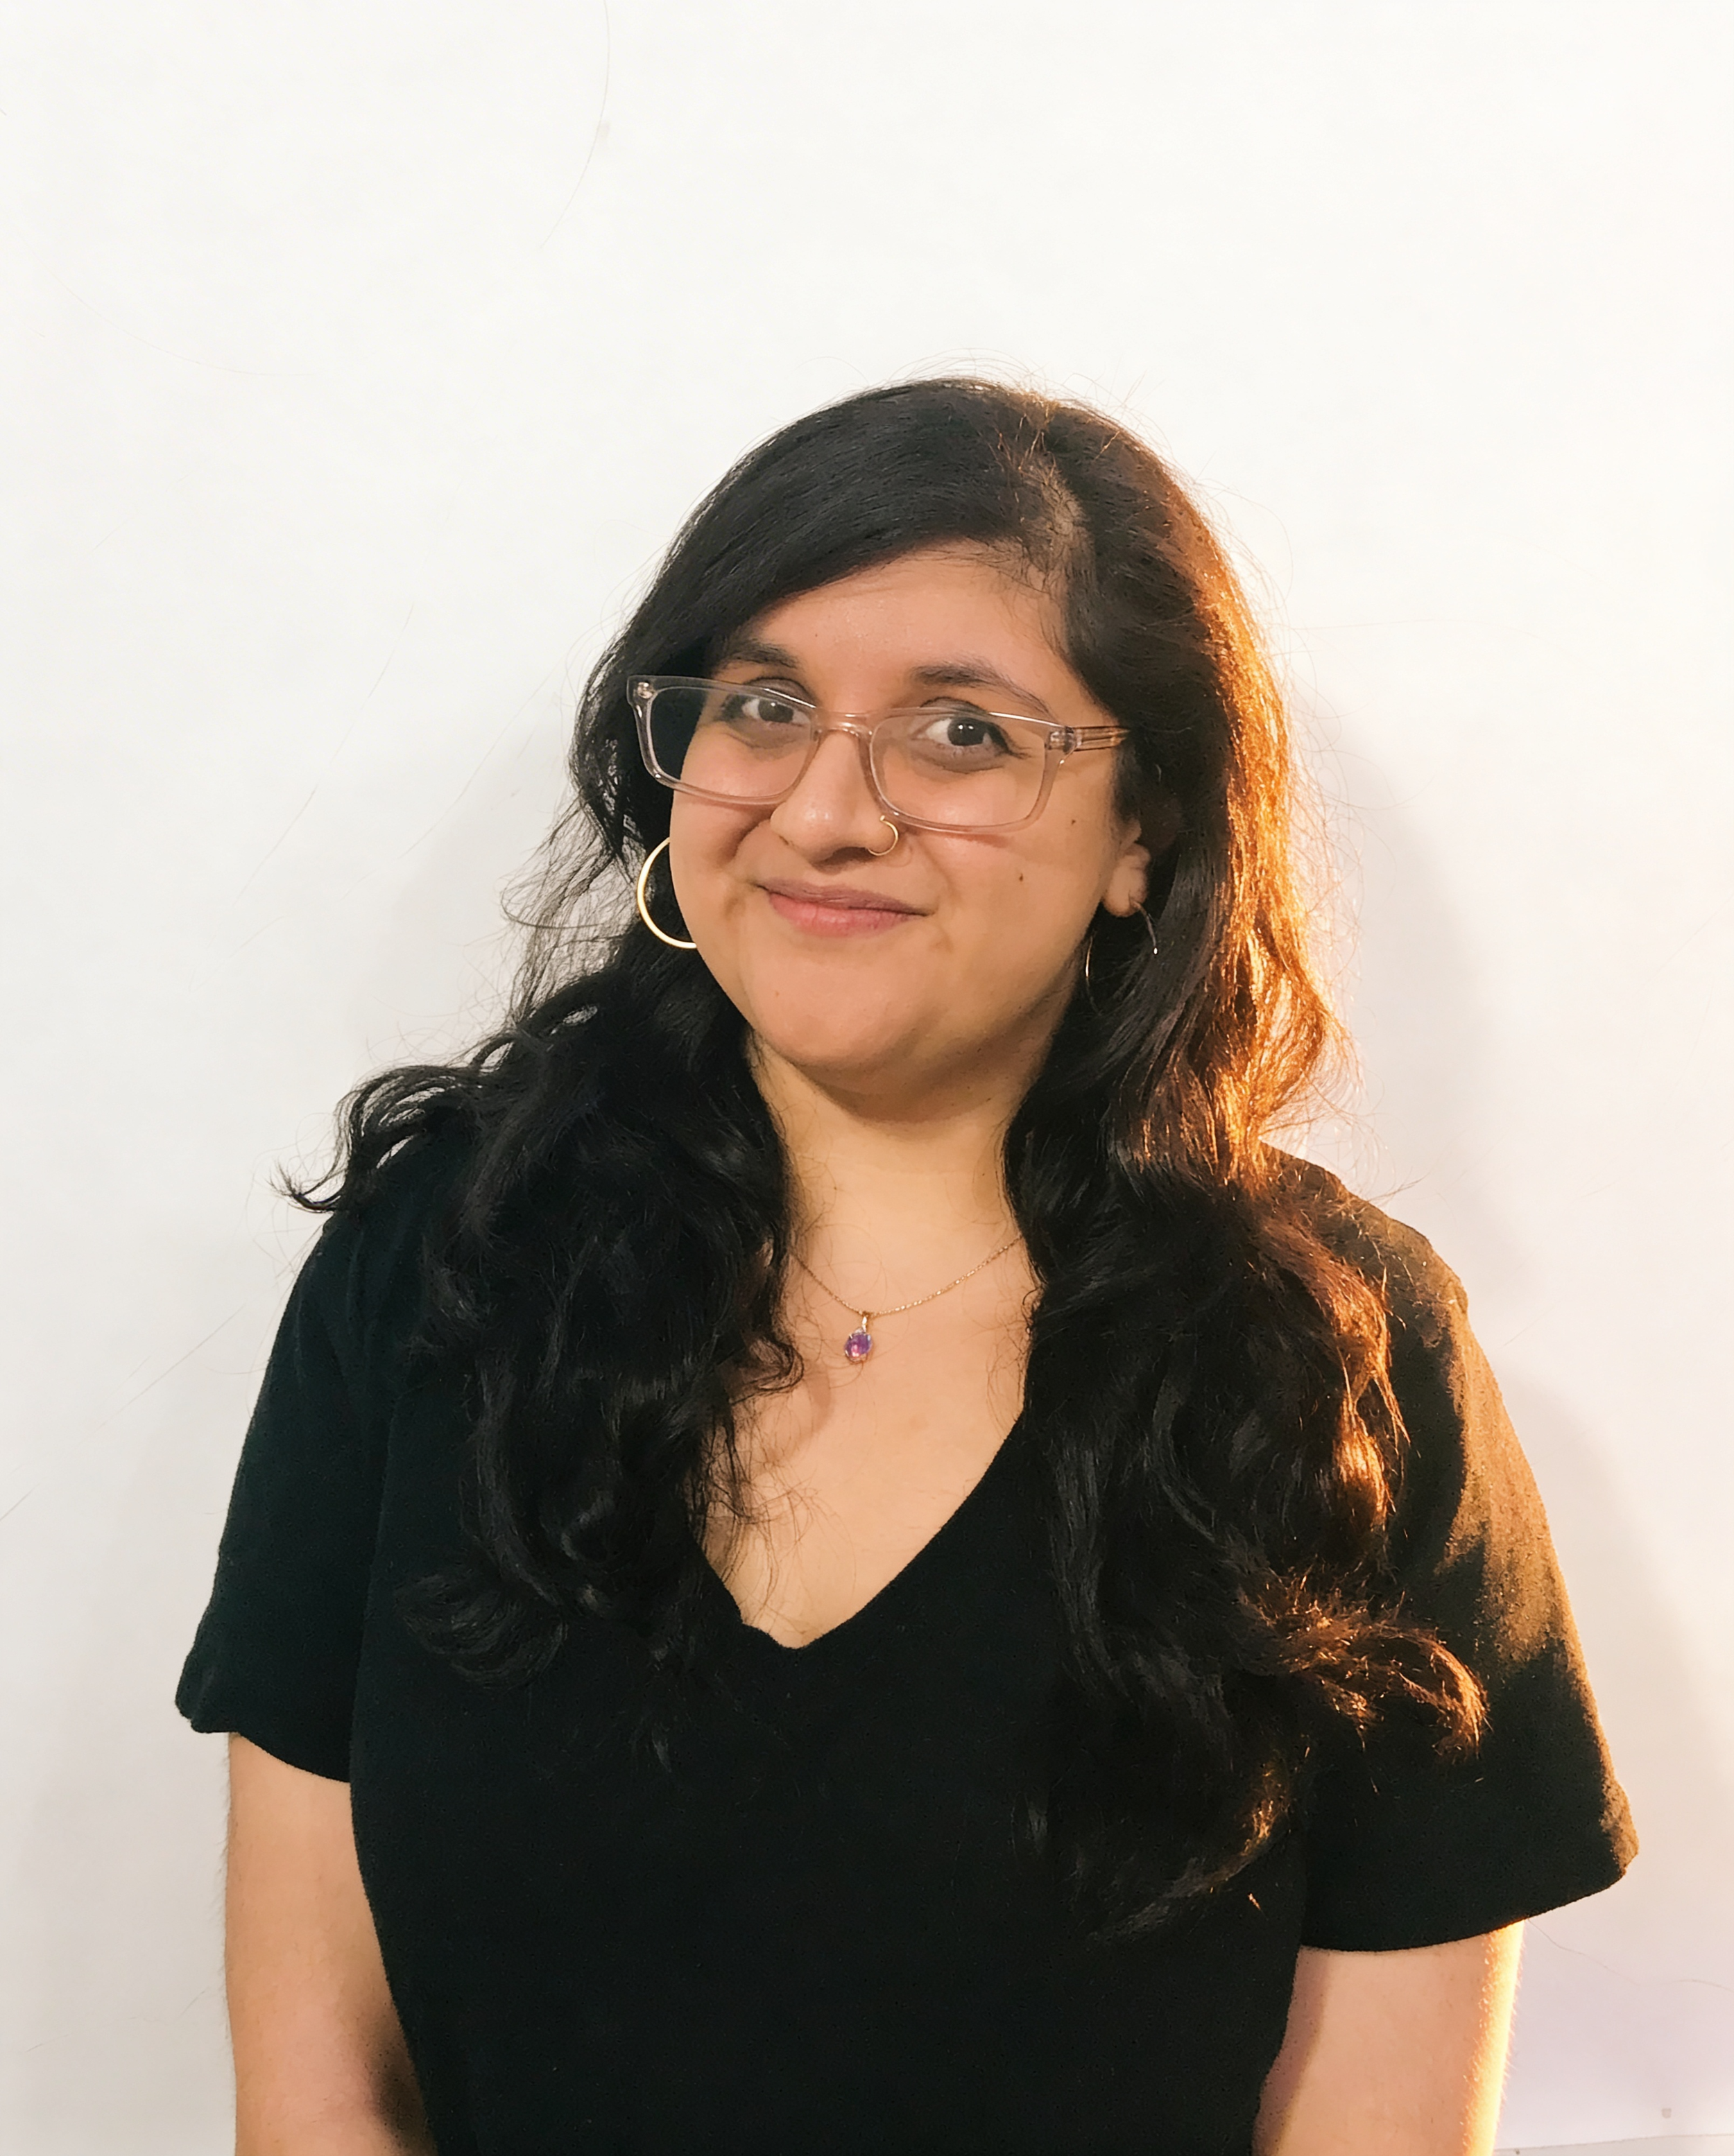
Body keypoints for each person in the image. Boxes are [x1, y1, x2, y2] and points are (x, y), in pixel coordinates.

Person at [178, 379, 1635, 2156]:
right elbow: (320, 2087)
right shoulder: (444, 1269)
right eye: (762, 706)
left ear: (1143, 832)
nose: (822, 812)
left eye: (958, 733)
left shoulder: (1336, 1365)